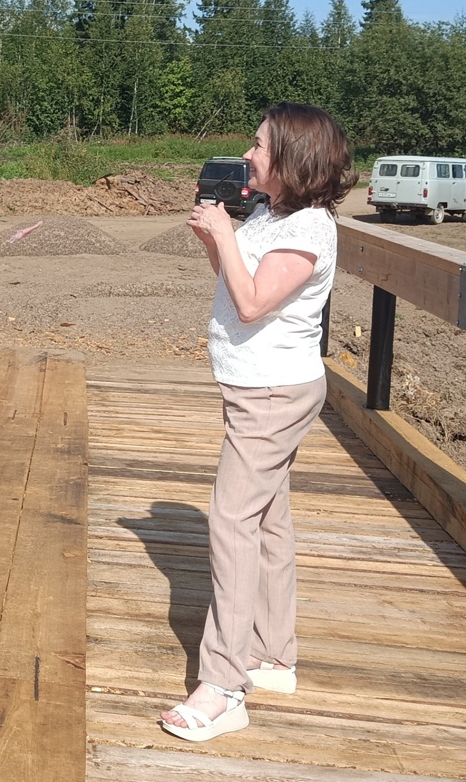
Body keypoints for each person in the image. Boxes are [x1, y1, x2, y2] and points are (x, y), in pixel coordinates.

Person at [160, 102, 355, 741]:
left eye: (259, 145)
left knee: (231, 520)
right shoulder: (273, 214)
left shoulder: (309, 229)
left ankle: (223, 687)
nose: (248, 153)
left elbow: (250, 306)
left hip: (272, 392)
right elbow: (238, 281)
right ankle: (274, 655)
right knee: (268, 518)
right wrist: (213, 240)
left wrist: (223, 232)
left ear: (293, 159)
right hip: (256, 387)